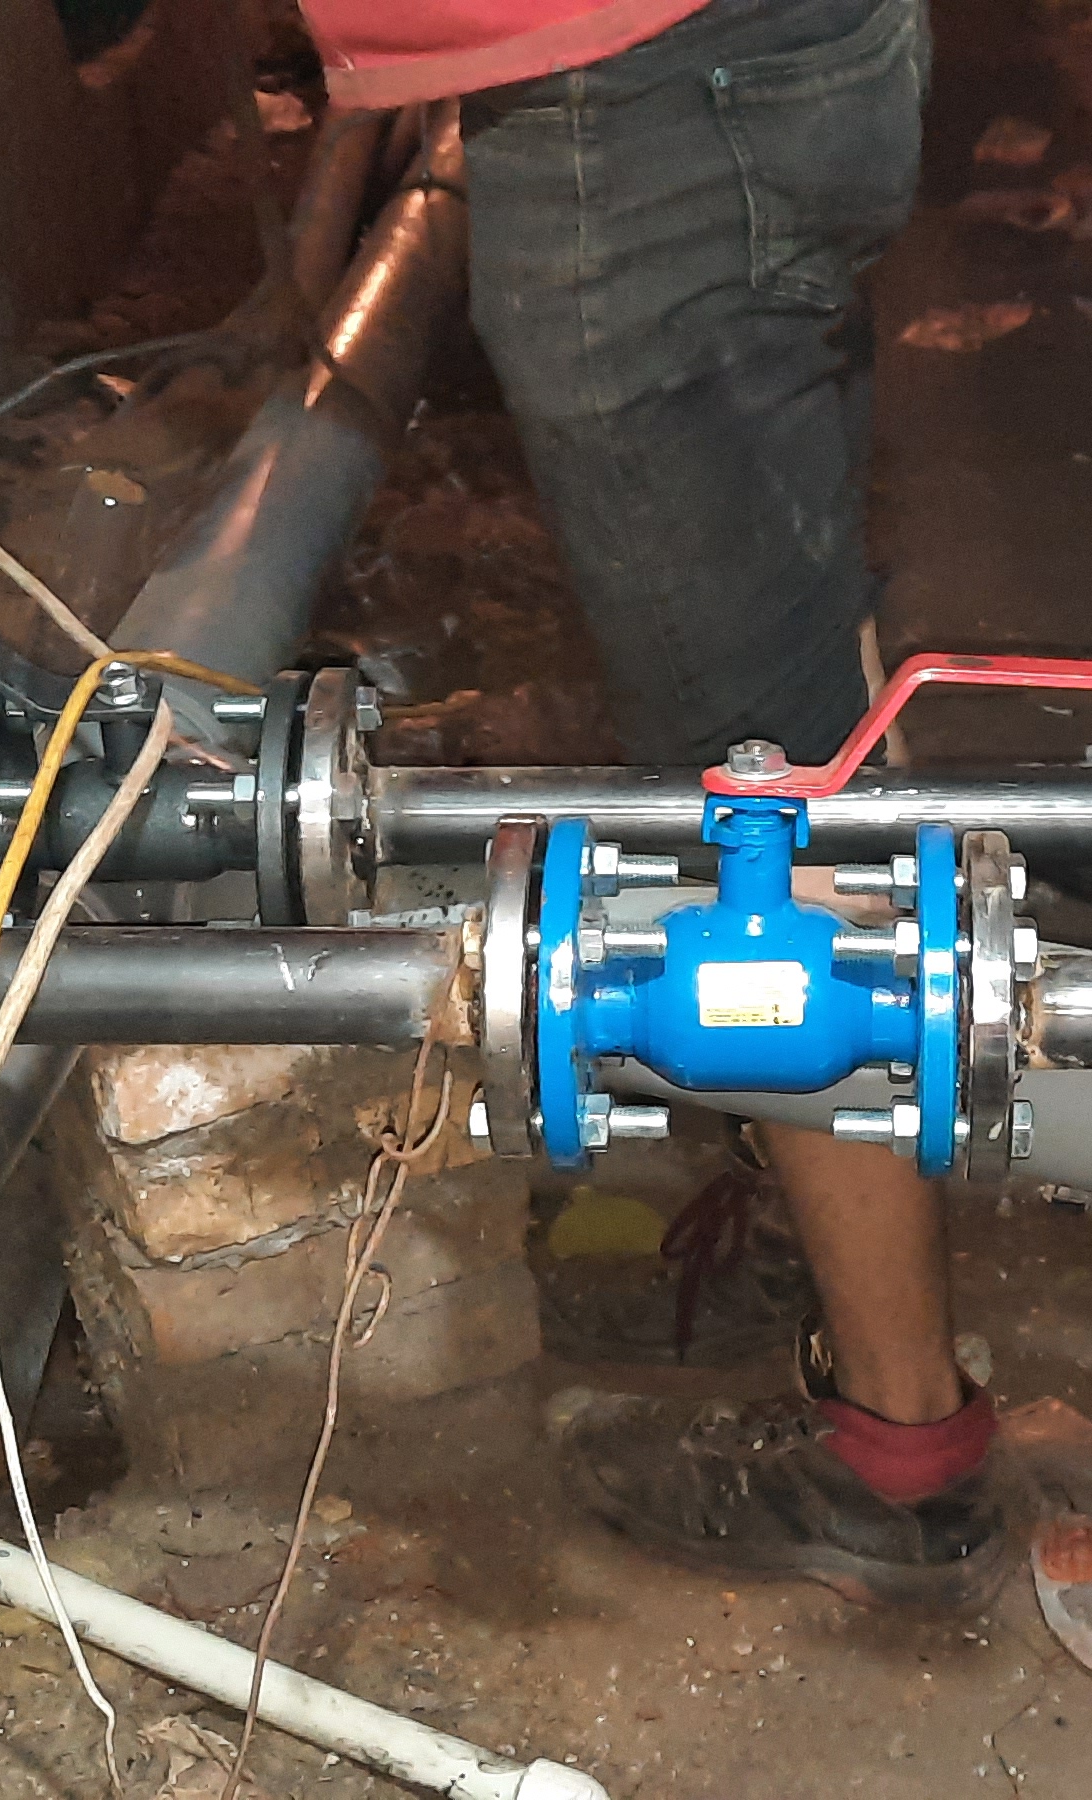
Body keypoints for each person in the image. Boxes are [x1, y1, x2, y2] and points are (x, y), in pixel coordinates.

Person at [302, 0, 1001, 1607]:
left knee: (762, 785)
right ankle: (820, 1244)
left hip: (646, 83)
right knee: (796, 688)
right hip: (710, 60)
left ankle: (899, 1455)